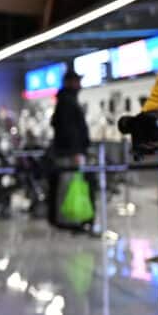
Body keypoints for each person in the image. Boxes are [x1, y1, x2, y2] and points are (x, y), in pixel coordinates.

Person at [46, 69, 90, 228]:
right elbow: (69, 129)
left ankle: (68, 217)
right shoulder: (67, 101)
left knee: (68, 185)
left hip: (67, 151)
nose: (80, 84)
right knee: (67, 185)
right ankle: (67, 219)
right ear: (69, 82)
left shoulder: (65, 100)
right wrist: (76, 151)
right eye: (77, 81)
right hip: (69, 153)